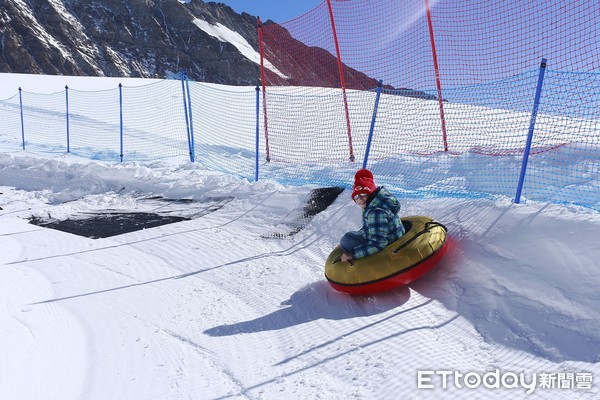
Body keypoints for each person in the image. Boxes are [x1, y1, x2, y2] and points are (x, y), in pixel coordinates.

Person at [340, 169, 405, 263]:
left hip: (390, 245)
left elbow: (379, 243)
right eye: (356, 196)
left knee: (346, 241)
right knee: (350, 236)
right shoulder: (377, 202)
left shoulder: (375, 212)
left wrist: (353, 254)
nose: (360, 199)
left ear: (370, 193)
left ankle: (367, 264)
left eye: (363, 194)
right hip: (392, 236)